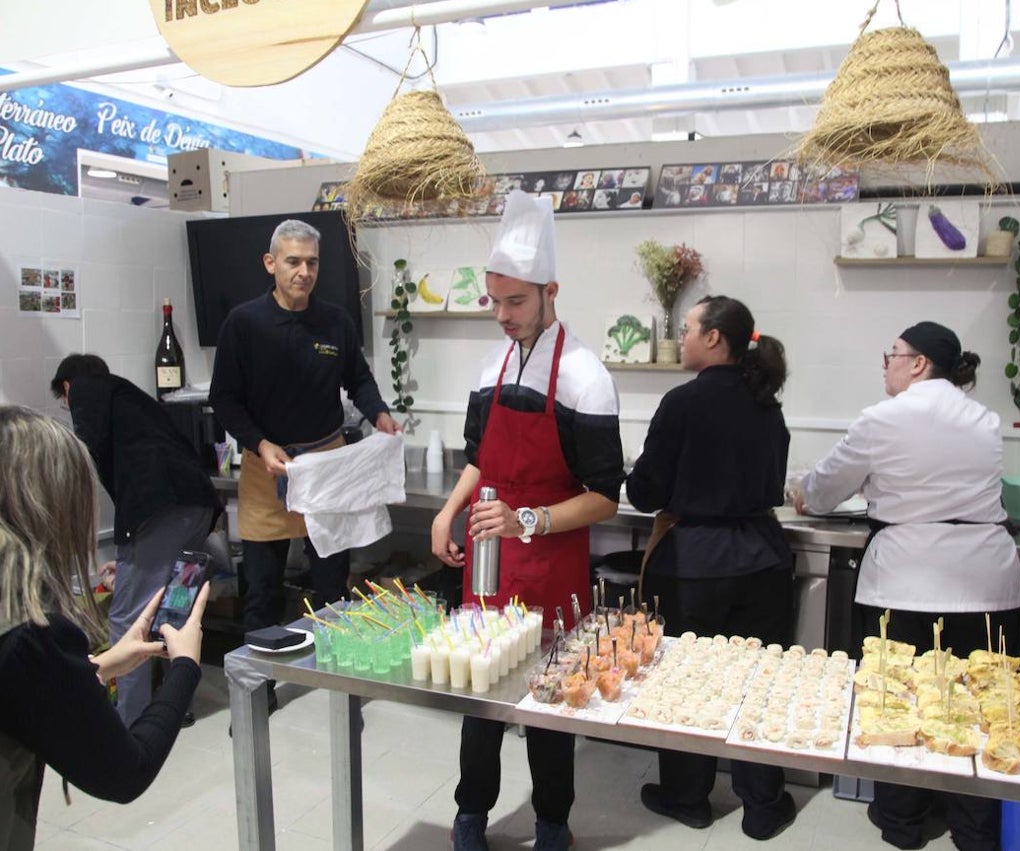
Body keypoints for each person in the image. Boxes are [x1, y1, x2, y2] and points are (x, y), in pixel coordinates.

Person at [430, 190, 623, 851]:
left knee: (548, 700)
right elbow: (480, 459)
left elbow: (606, 496)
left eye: (516, 301)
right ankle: (470, 815)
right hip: (491, 558)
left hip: (551, 560)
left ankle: (552, 822)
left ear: (551, 291)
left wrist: (530, 520)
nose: (503, 315)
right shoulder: (492, 365)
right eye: (495, 300)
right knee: (480, 696)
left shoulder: (585, 377)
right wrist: (450, 509)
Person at [797, 321, 1020, 851]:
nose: (887, 364)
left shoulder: (882, 419)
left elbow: (824, 490)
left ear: (918, 363)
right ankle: (973, 830)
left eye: (892, 355)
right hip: (986, 587)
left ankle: (902, 823)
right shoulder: (985, 420)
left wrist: (804, 492)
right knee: (978, 707)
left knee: (894, 702)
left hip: (904, 586)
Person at [626, 295, 798, 841]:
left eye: (688, 328)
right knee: (760, 684)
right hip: (764, 561)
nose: (682, 337)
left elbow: (647, 489)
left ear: (715, 339)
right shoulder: (767, 404)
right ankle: (763, 804)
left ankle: (687, 796)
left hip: (697, 563)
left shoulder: (682, 403)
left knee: (687, 683)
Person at [209, 219, 400, 710]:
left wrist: (378, 410)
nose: (303, 271)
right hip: (265, 467)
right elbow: (225, 400)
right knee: (263, 591)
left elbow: (358, 378)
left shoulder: (335, 322)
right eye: (292, 261)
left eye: (311, 262)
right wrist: (259, 443)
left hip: (329, 468)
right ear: (271, 264)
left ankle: (337, 687)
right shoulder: (244, 324)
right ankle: (257, 695)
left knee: (332, 585)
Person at [0, 406, 208, 851]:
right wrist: (186, 666)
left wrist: (102, 664)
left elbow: (20, 692)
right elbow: (125, 772)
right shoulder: (29, 631)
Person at [50, 354, 220, 727]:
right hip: (197, 507)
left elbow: (82, 454)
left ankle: (129, 722)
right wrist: (127, 558)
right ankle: (179, 706)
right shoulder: (130, 398)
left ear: (66, 387)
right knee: (176, 611)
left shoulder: (85, 387)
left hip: (161, 511)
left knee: (127, 619)